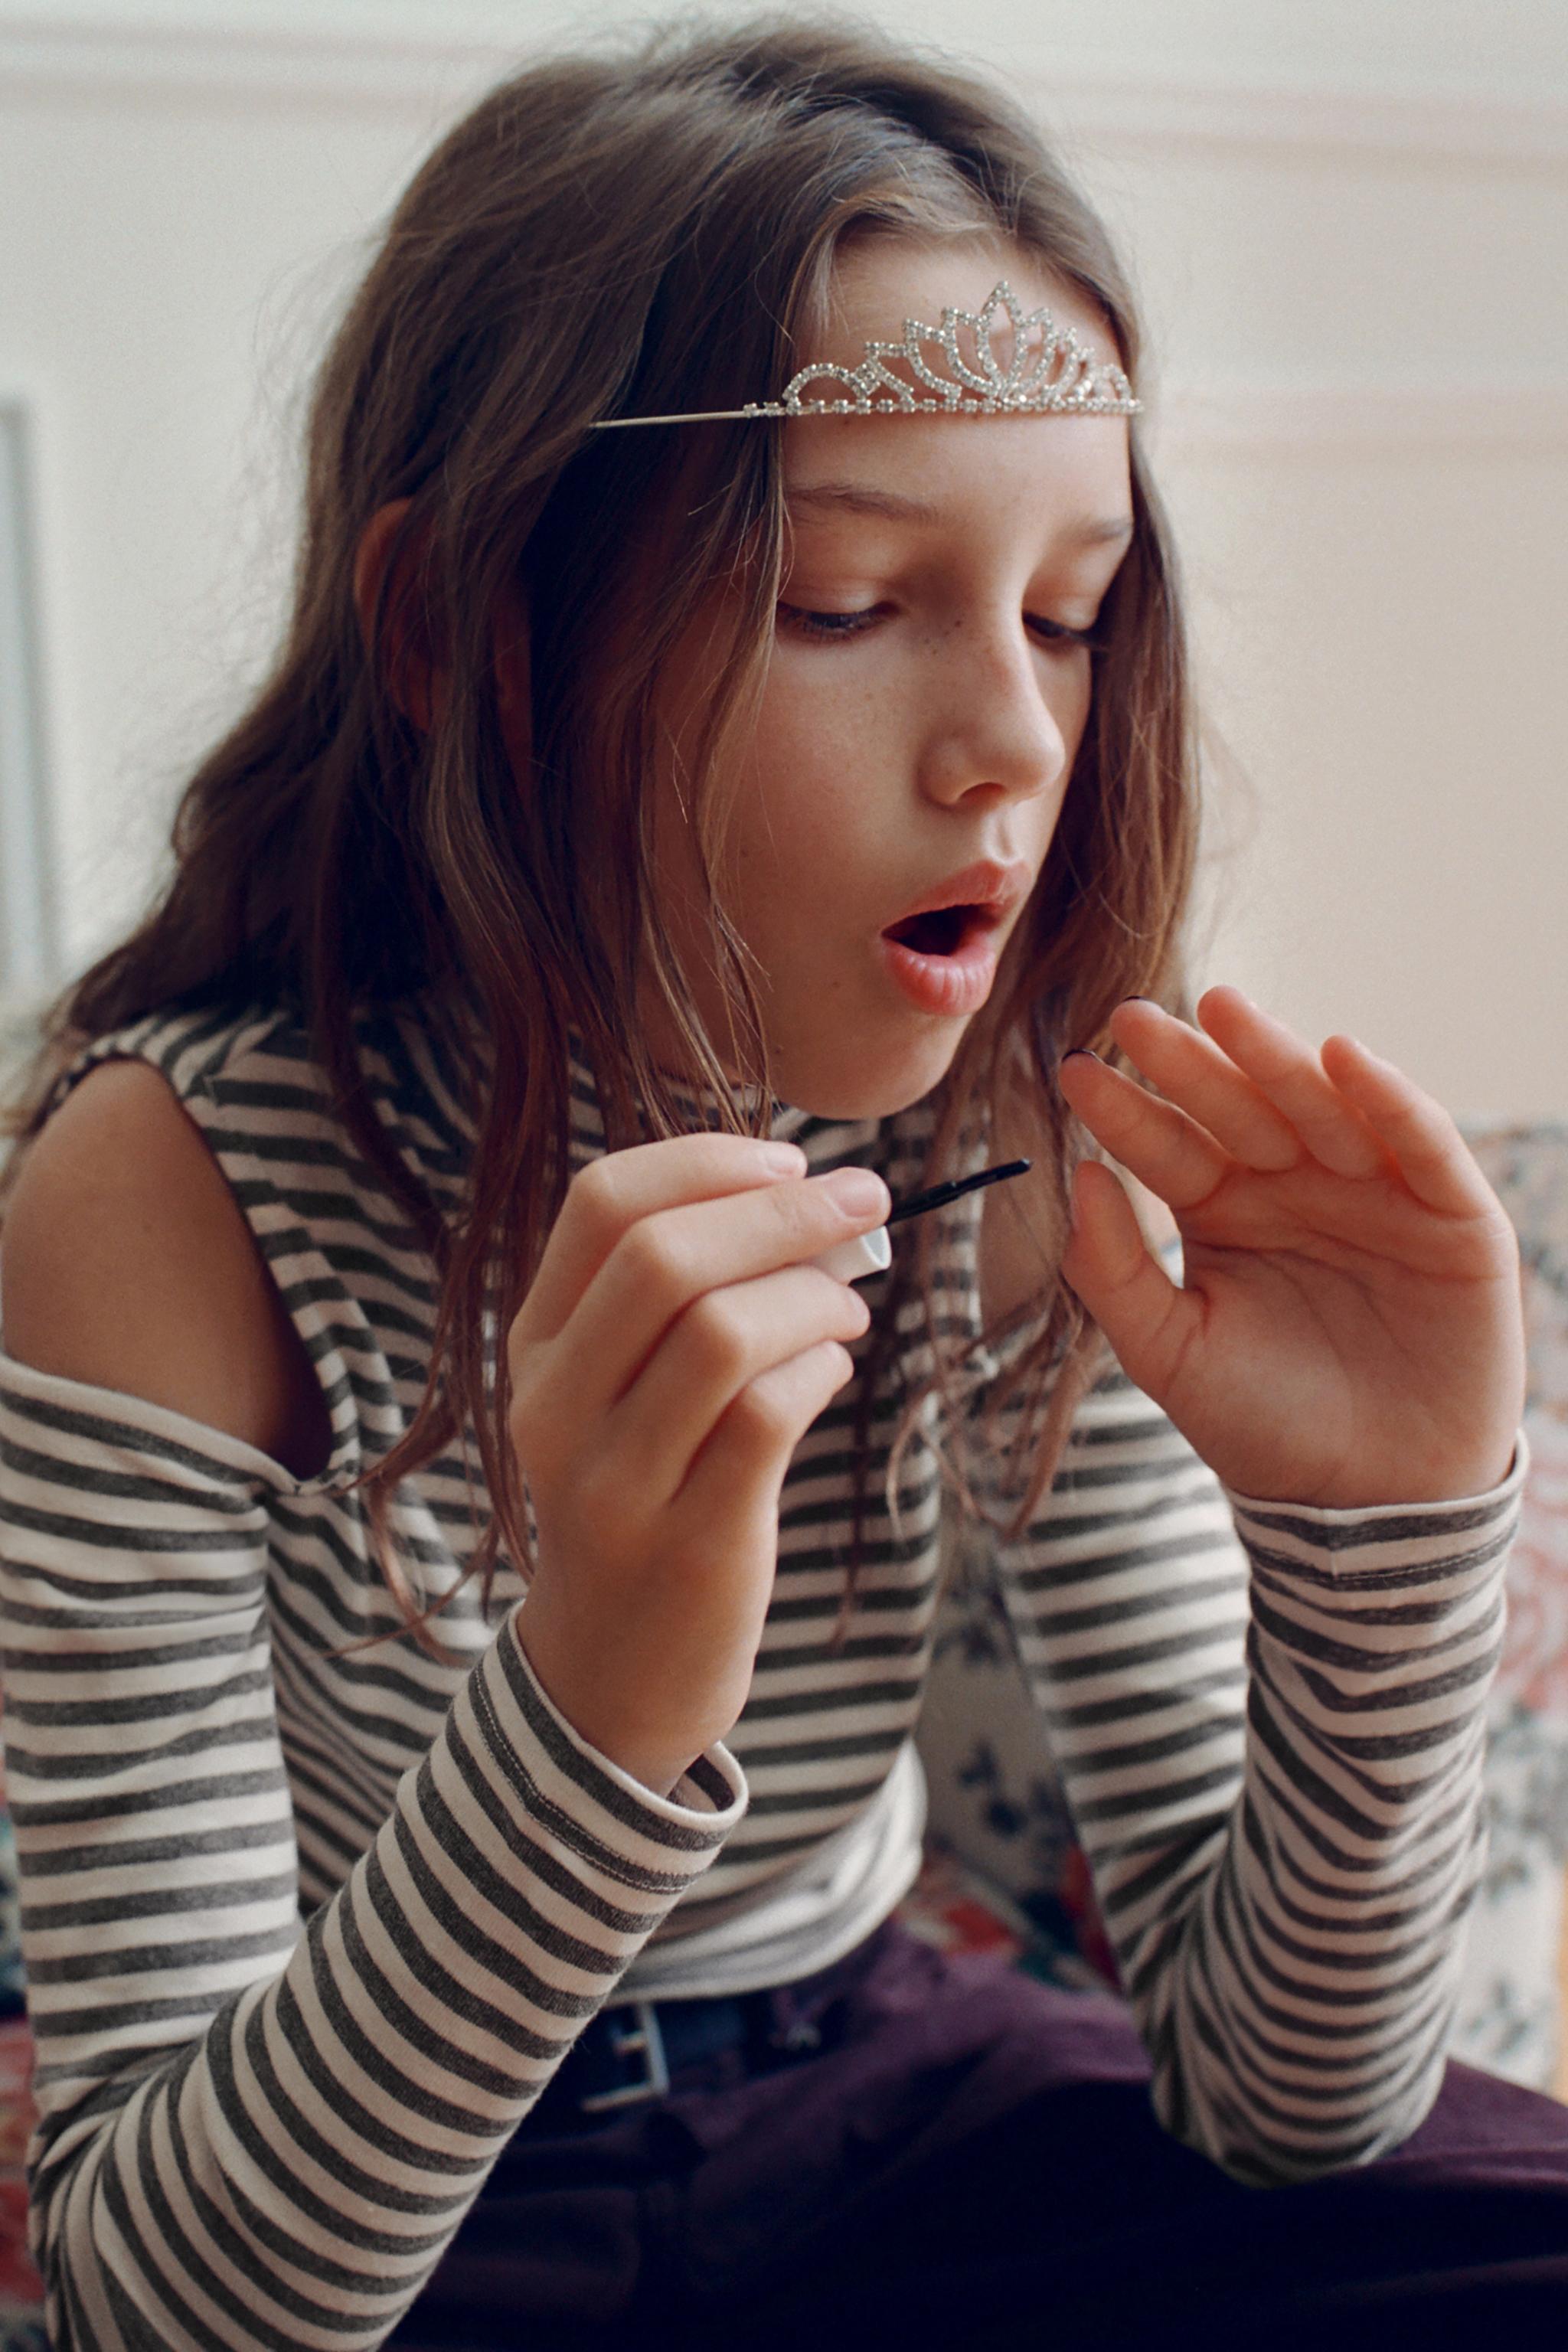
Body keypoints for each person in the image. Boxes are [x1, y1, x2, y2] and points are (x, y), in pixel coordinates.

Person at [0, 15, 1565, 2350]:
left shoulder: (1021, 1135)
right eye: (846, 604)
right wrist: (594, 1712)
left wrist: (1394, 1536)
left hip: (884, 2102)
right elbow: (171, 2302)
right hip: (382, 2186)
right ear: (458, 633)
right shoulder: (166, 1194)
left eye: (1069, 612)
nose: (1017, 743)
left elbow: (1287, 2099)